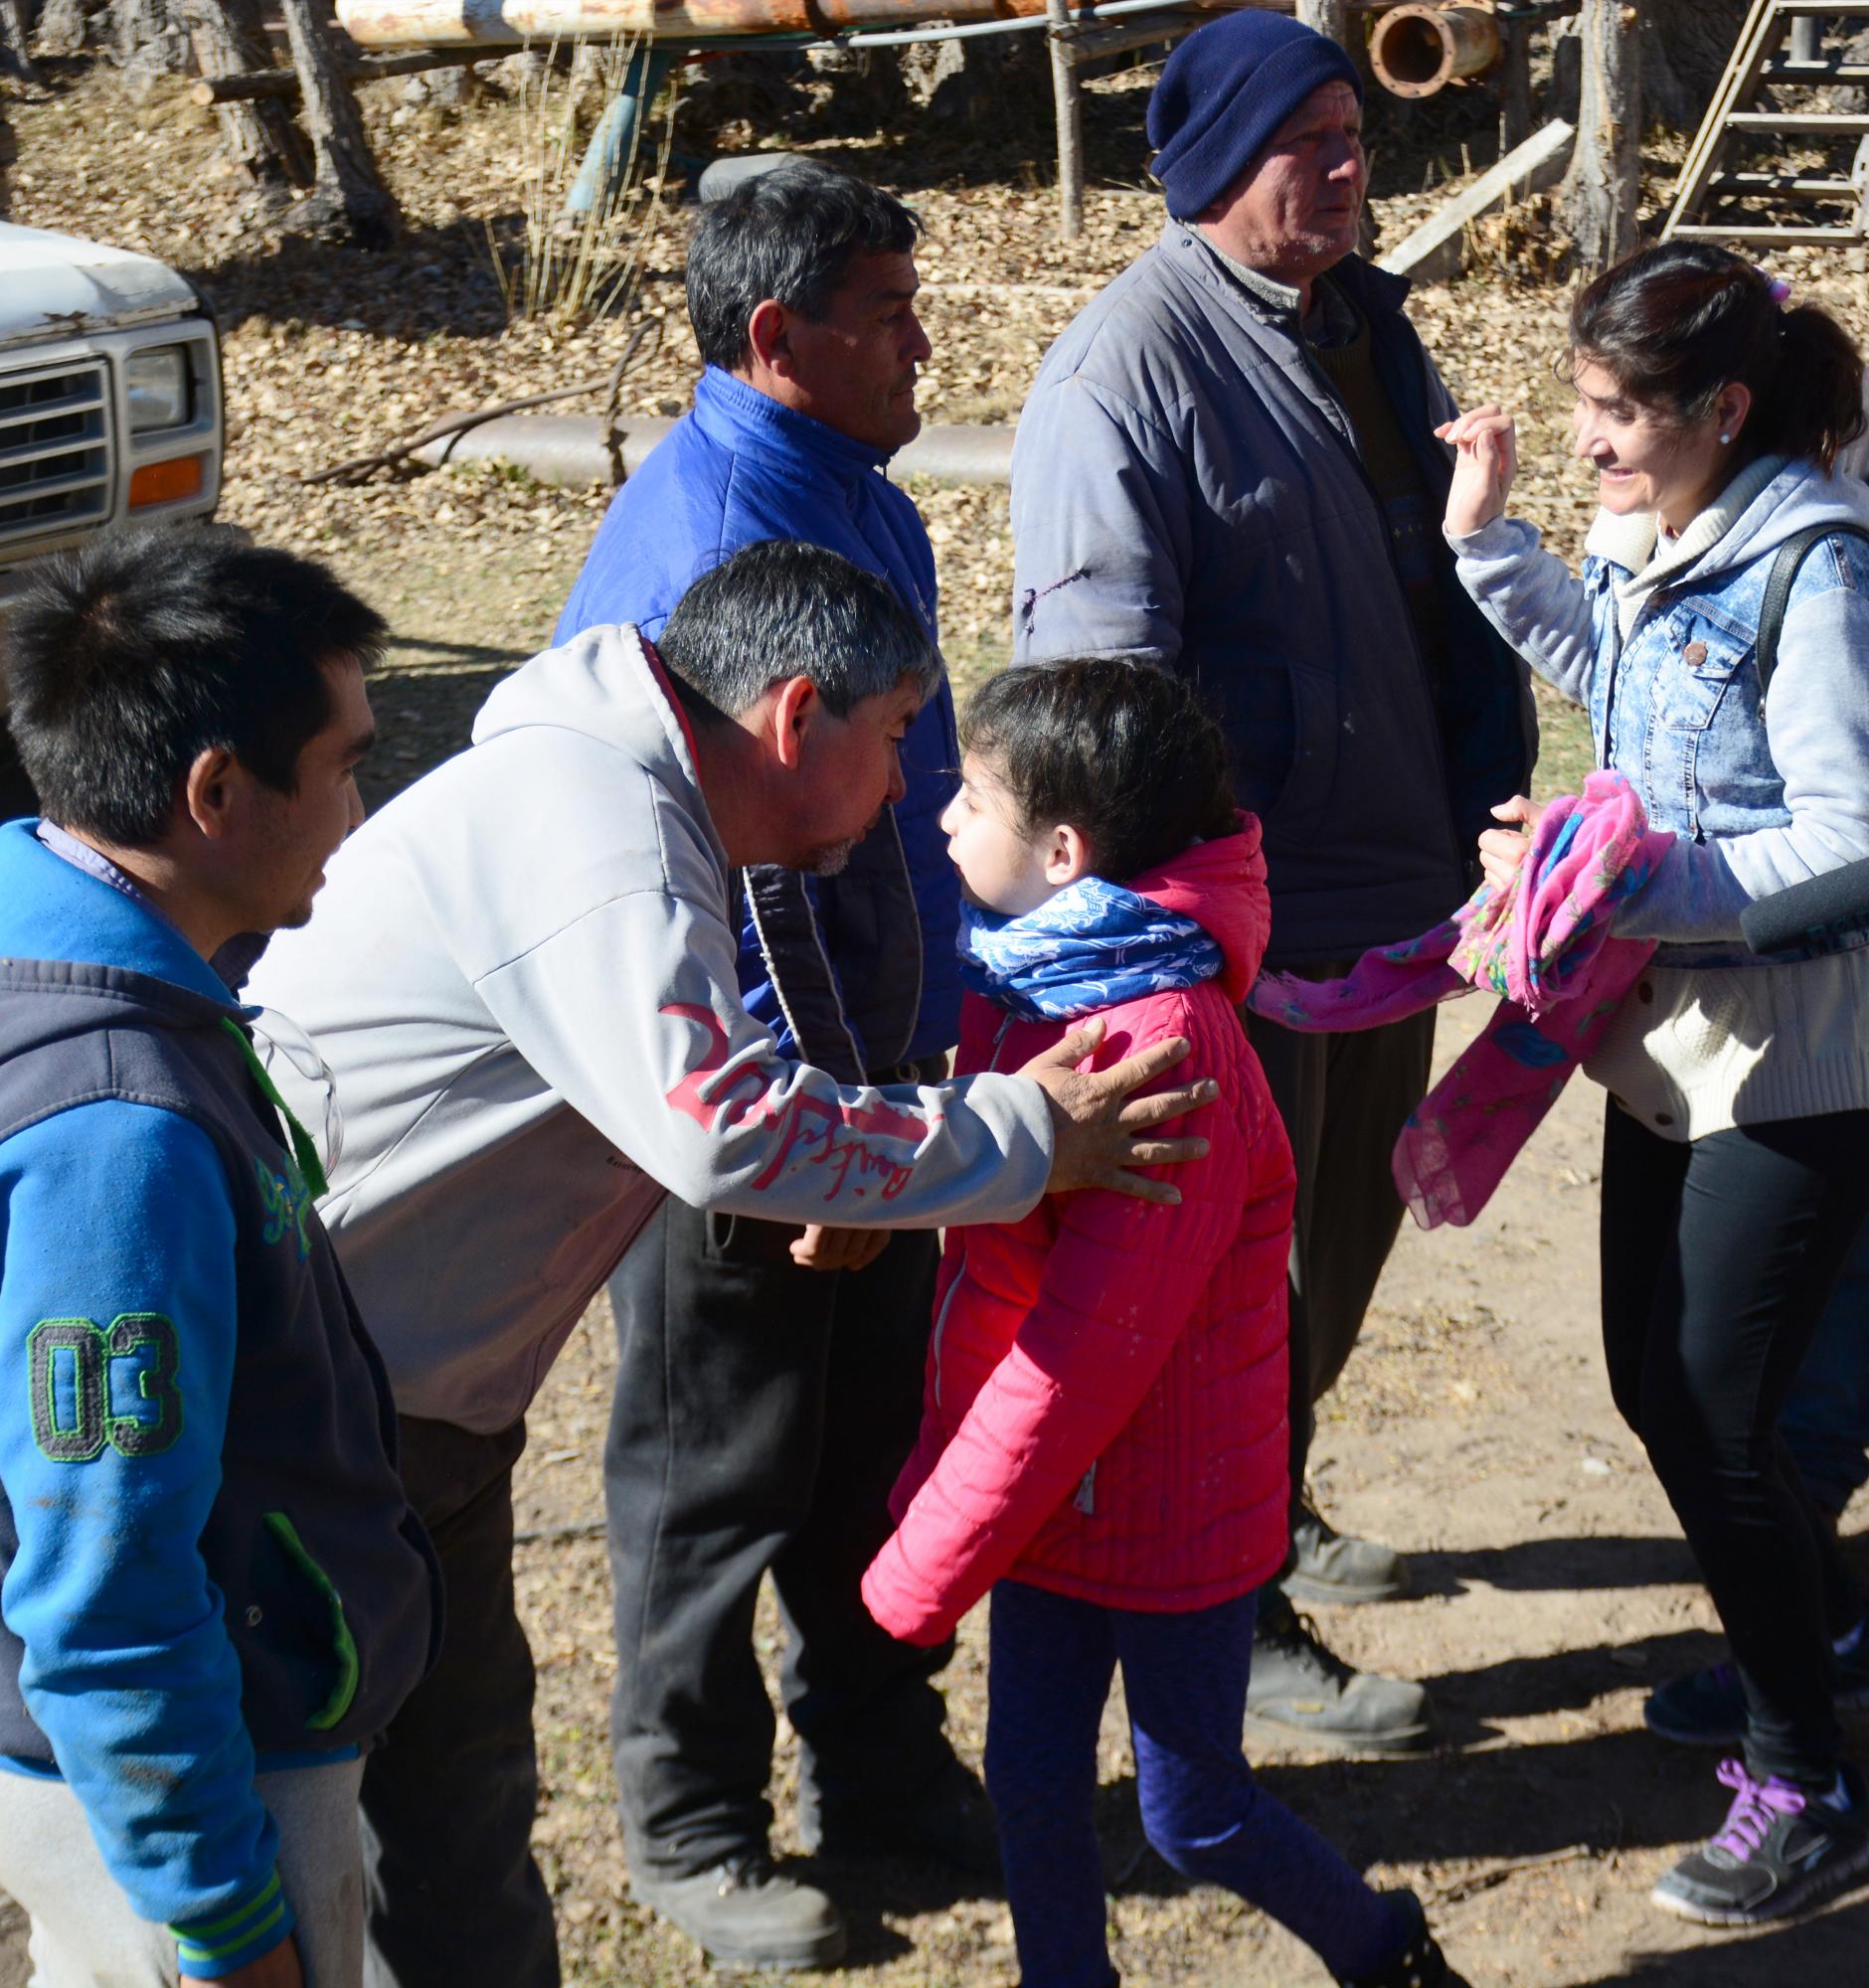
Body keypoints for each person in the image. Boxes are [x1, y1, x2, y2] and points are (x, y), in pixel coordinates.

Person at [246, 539, 1216, 1988]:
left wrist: (866, 1167)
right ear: (795, 716)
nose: (909, 790)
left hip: (405, 1405)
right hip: (311, 1414)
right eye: (899, 737)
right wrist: (1025, 1137)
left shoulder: (637, 801)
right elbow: (720, 1122)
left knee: (453, 1836)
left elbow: (684, 1095)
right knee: (325, 1850)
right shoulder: (597, 826)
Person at [1008, 9, 1534, 1752]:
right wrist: (1175, 941)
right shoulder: (1123, 373)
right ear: (1219, 165)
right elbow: (1102, 701)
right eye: (1308, 139)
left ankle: (1270, 1497)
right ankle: (1223, 1605)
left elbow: (1430, 577)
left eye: (1351, 131)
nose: (1349, 162)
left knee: (1345, 1238)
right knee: (1233, 1280)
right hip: (1245, 922)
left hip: (1393, 887)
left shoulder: (1364, 322)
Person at [861, 659, 1469, 1988]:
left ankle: (1386, 1955)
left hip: (1172, 1515)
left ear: (1063, 854)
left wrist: (925, 1560)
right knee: (1031, 1779)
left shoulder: (1161, 1052)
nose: (942, 817)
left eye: (973, 798)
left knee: (1192, 1811)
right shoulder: (1023, 984)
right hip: (1054, 1504)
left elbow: (1083, 1354)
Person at [553, 162, 989, 1970]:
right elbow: (729, 882)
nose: (919, 347)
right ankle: (691, 1817)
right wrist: (821, 1139)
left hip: (874, 1079)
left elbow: (896, 802)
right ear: (774, 334)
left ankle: (877, 1762)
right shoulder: (722, 539)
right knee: (715, 1465)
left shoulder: (850, 486)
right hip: (736, 1102)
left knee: (870, 1445)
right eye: (885, 317)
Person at [1441, 242, 1869, 1924]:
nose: (1588, 438)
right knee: (1663, 1393)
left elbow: (1848, 840)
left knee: (1716, 1411)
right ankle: (1794, 1656)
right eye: (1583, 401)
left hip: (1797, 1068)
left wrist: (1621, 881)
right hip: (1661, 1045)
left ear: (1726, 409)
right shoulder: (1661, 533)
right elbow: (1622, 683)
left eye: (1618, 411)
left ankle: (1804, 1778)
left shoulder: (1817, 570)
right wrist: (1490, 545)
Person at [0, 528, 442, 1986]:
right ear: (213, 794)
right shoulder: (115, 1133)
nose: (361, 810)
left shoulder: (55, 944)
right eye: (345, 765)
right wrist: (221, 1915)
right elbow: (108, 1582)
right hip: (195, 1793)